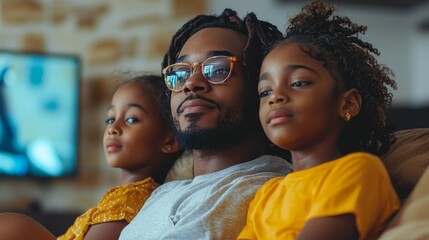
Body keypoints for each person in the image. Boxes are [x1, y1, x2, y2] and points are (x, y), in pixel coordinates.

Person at [119, 9, 292, 240]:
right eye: (181, 73)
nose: (191, 84)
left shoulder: (269, 191)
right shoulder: (163, 194)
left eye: (218, 68)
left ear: (261, 89)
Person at [237, 0, 401, 239]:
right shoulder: (266, 195)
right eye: (265, 92)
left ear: (348, 104)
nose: (276, 97)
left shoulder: (358, 170)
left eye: (298, 83)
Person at [0, 74, 182, 240]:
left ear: (170, 140)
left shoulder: (131, 200)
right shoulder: (125, 198)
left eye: (131, 119)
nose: (112, 128)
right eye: (110, 119)